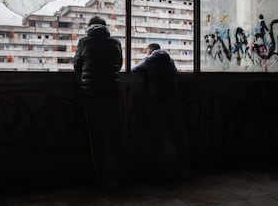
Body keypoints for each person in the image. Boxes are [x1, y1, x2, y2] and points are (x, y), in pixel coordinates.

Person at [73, 15, 126, 191]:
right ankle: (122, 175)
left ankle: (102, 178)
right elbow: (118, 65)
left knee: (97, 138)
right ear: (105, 27)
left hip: (92, 95)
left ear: (89, 27)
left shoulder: (84, 42)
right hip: (112, 93)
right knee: (116, 135)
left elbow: (77, 66)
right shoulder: (115, 43)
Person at [131, 43, 192, 179]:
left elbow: (134, 70)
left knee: (155, 137)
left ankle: (153, 171)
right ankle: (186, 168)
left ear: (149, 51)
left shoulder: (150, 60)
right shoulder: (170, 61)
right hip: (174, 101)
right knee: (179, 136)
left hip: (157, 102)